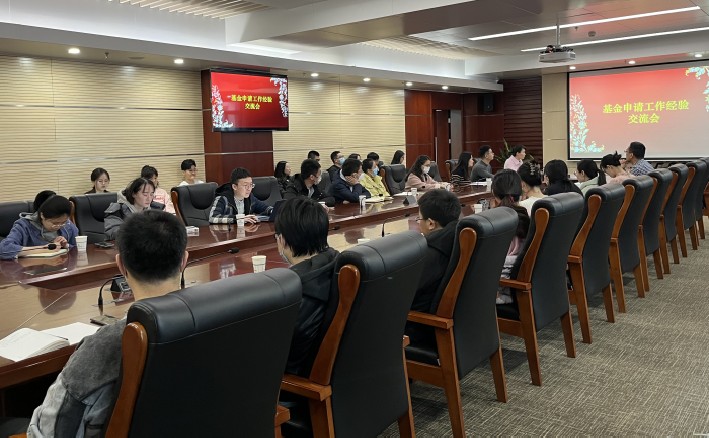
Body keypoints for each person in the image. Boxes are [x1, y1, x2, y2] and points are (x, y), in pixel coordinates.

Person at [28, 210, 189, 437]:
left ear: (120, 265)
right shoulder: (220, 322)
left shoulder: (103, 348)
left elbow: (49, 431)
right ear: (184, 260)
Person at [275, 197, 340, 377]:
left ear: (282, 240)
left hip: (295, 383)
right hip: (338, 372)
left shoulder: (293, 291)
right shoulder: (338, 262)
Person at [409, 189, 461, 313]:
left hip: (419, 319)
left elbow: (405, 292)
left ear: (431, 224)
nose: (418, 222)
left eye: (419, 219)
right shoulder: (460, 238)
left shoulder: (429, 254)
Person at [491, 169, 530, 304]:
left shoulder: (494, 225)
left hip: (500, 291)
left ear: (493, 193)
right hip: (523, 287)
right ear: (522, 189)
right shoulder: (528, 219)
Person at [0, 193, 78, 260]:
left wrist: (66, 245)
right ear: (42, 215)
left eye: (63, 222)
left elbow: (77, 248)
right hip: (31, 269)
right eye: (55, 223)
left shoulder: (67, 225)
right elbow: (4, 249)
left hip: (62, 267)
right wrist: (43, 249)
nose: (59, 226)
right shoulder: (24, 226)